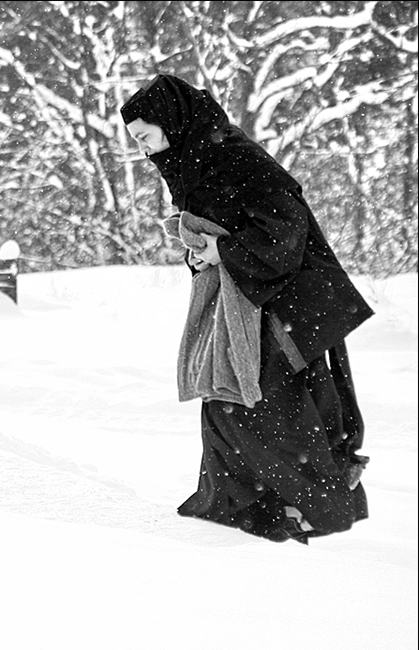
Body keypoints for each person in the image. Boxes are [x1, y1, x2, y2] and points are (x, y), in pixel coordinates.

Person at [119, 74, 374, 544]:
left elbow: (284, 237)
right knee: (235, 401)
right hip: (249, 305)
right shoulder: (195, 163)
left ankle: (312, 504)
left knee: (266, 408)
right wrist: (200, 254)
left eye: (145, 137)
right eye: (137, 141)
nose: (144, 150)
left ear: (171, 123)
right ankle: (248, 508)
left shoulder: (238, 160)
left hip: (288, 305)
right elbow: (219, 230)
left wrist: (222, 252)